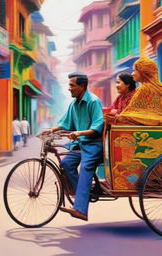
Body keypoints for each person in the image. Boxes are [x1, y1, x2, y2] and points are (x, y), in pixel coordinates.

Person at [41, 72, 104, 221]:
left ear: (82, 86)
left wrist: (80, 132)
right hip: (80, 144)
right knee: (66, 163)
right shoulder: (74, 104)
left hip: (94, 144)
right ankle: (83, 195)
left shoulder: (93, 101)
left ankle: (81, 209)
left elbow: (98, 127)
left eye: (72, 85)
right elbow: (65, 123)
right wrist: (51, 130)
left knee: (85, 168)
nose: (69, 88)